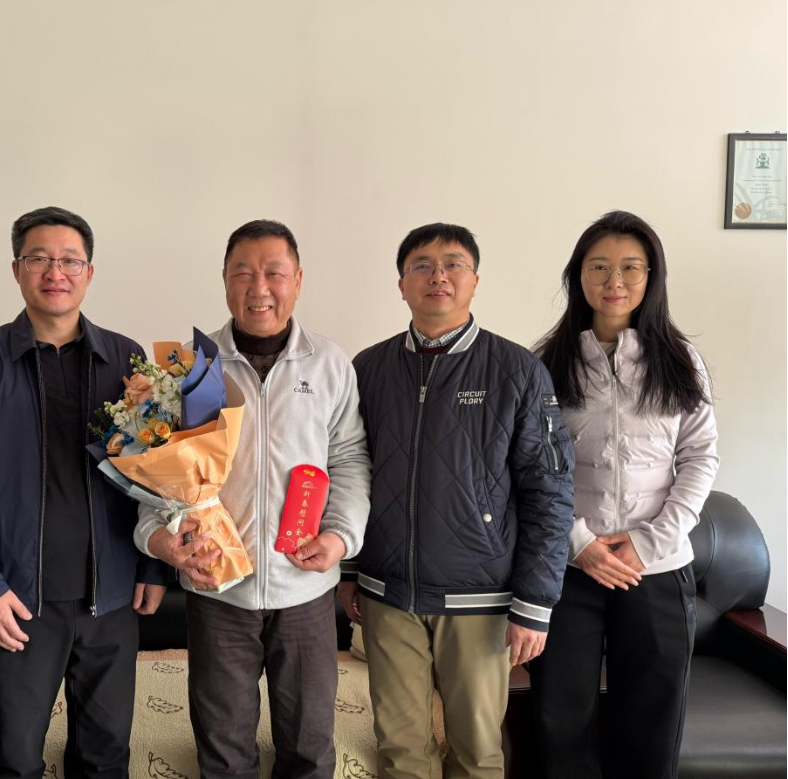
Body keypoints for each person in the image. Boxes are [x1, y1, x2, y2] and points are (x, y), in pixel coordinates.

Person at [0, 206, 168, 779]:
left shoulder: (127, 360)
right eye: (39, 258)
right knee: (15, 759)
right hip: (16, 600)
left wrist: (153, 567)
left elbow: (156, 475)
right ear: (17, 269)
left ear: (90, 272)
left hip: (111, 597)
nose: (55, 272)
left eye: (69, 260)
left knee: (105, 755)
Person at [338, 222, 575, 779]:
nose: (437, 276)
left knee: (477, 753)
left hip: (481, 599)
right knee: (400, 753)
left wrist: (534, 603)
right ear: (402, 283)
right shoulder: (367, 368)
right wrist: (349, 570)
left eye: (453, 265)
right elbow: (348, 471)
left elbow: (551, 490)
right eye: (421, 265)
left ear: (474, 281)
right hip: (388, 594)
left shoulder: (517, 370)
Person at [135, 220, 371, 779]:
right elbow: (153, 468)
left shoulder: (330, 363)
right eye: (243, 272)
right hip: (218, 590)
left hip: (305, 590)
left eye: (274, 273)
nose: (259, 287)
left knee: (309, 750)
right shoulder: (190, 367)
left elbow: (349, 459)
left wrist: (340, 537)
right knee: (222, 752)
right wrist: (158, 538)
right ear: (224, 280)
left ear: (298, 280)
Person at [530, 210, 719, 779]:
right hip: (569, 568)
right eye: (599, 267)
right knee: (559, 722)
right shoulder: (545, 362)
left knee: (650, 725)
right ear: (578, 275)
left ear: (651, 276)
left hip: (656, 567)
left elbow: (700, 458)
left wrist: (647, 542)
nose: (615, 281)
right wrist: (579, 543)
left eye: (630, 267)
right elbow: (531, 466)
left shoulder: (681, 361)